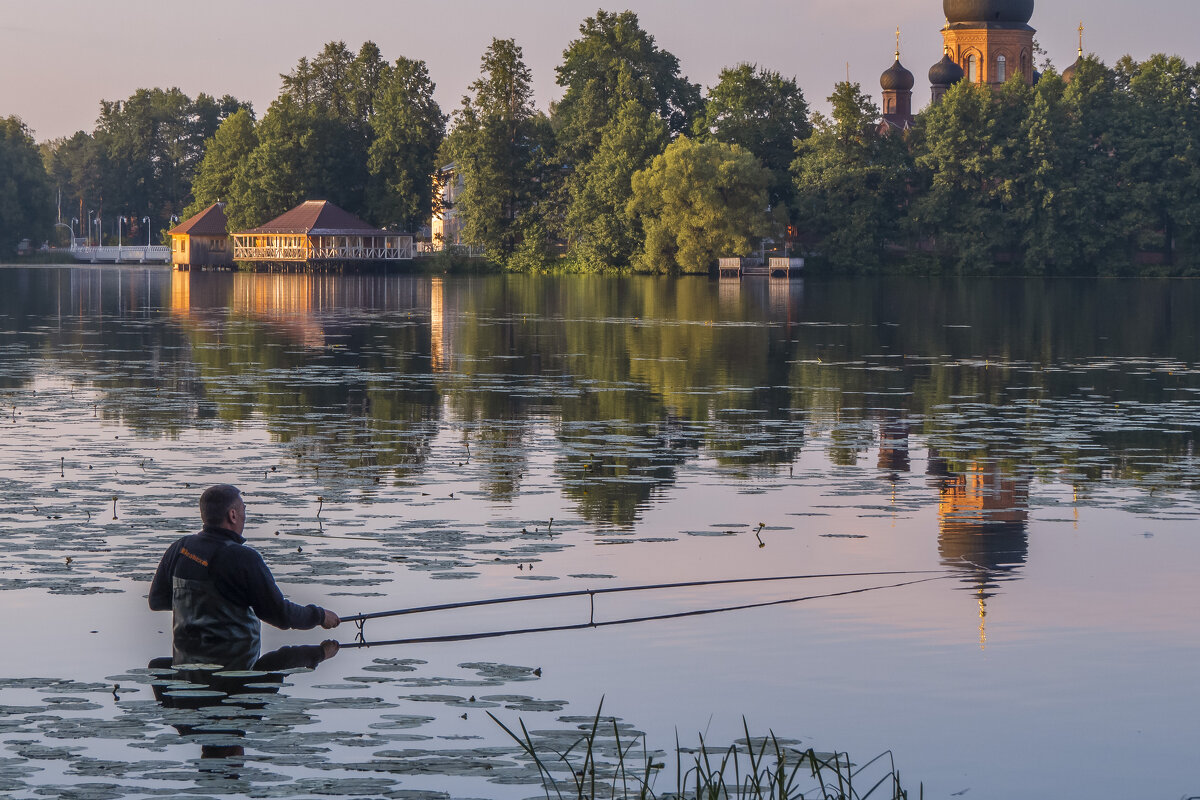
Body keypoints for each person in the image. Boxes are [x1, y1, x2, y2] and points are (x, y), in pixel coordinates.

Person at [149, 484, 339, 668]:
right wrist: (319, 617)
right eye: (243, 510)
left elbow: (157, 601)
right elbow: (280, 614)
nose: (244, 516)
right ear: (232, 515)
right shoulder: (243, 558)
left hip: (185, 663)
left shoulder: (180, 548)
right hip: (236, 661)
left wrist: (201, 608)